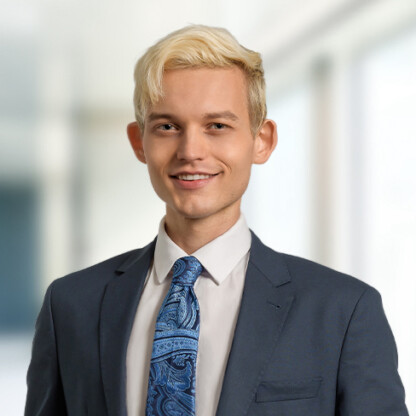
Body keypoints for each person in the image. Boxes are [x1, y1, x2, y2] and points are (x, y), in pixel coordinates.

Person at [25, 25, 408, 416]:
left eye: (217, 126)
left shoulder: (343, 311)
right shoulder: (70, 305)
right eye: (167, 127)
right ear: (139, 142)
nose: (191, 151)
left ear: (263, 141)